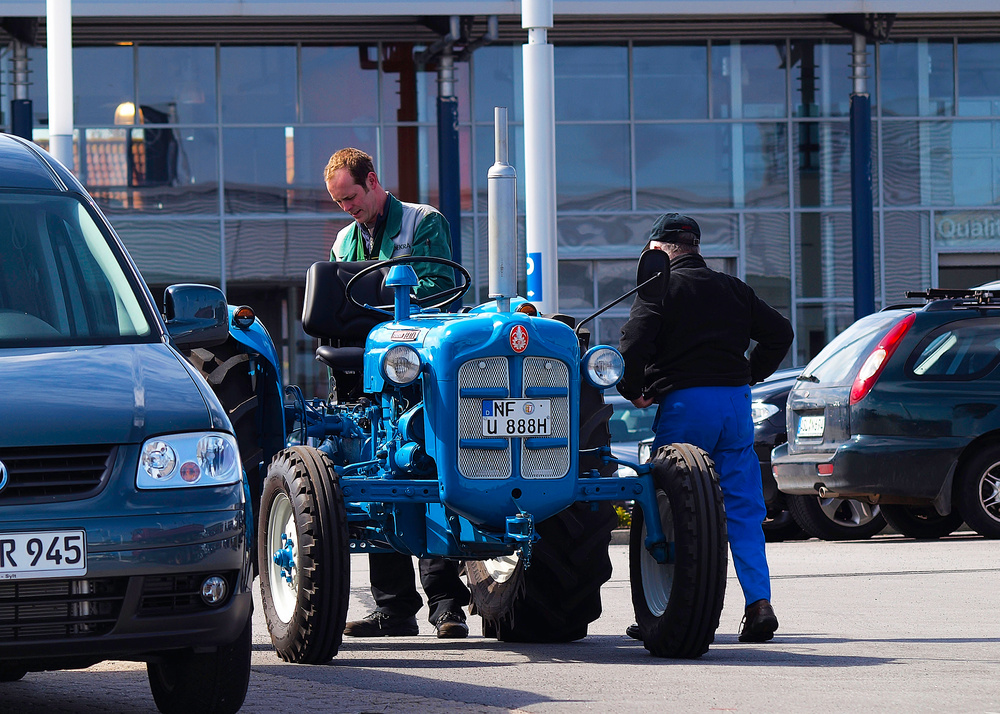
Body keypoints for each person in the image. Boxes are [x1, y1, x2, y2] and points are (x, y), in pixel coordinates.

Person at [617, 212, 793, 643]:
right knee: (744, 511)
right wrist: (751, 373)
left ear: (658, 250)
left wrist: (634, 389)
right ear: (695, 247)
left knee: (673, 507)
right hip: (735, 405)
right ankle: (759, 604)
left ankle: (666, 609)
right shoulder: (733, 288)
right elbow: (781, 331)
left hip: (685, 405)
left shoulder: (659, 286)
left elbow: (634, 342)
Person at [324, 147, 471, 639]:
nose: (348, 208)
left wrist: (380, 289)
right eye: (339, 202)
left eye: (351, 197)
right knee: (376, 478)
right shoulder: (343, 241)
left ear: (372, 181)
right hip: (369, 371)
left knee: (425, 475)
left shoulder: (422, 223)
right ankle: (394, 608)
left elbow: (439, 283)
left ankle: (447, 605)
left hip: (418, 368)